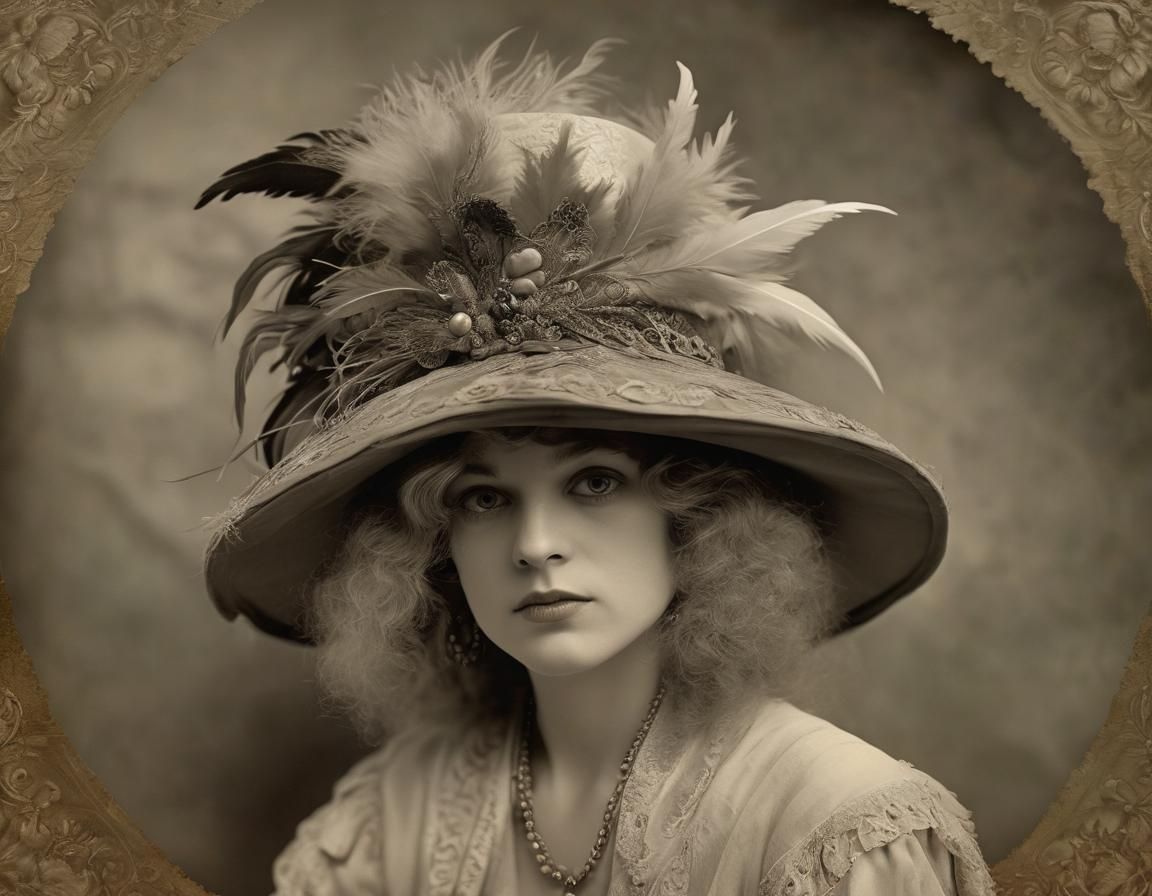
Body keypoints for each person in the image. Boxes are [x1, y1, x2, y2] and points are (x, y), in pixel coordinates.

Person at [197, 34, 996, 896]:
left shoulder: (836, 825)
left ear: (696, 516)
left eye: (595, 482)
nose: (536, 545)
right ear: (429, 549)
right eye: (482, 498)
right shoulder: (393, 815)